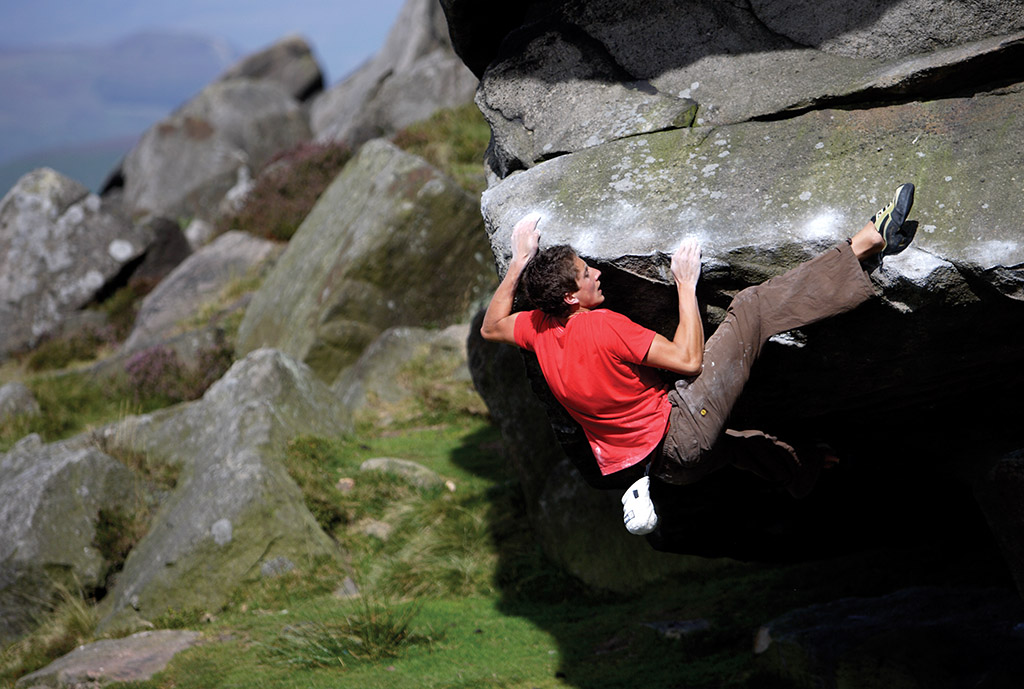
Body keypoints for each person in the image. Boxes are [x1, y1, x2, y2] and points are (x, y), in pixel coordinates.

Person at [480, 184, 916, 534]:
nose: (596, 271)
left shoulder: (536, 329)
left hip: (667, 469)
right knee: (752, 307)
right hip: (683, 432)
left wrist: (519, 263)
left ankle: (810, 469)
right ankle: (866, 243)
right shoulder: (600, 325)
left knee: (739, 442)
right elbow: (689, 361)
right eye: (585, 272)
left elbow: (490, 325)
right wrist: (685, 287)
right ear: (571, 296)